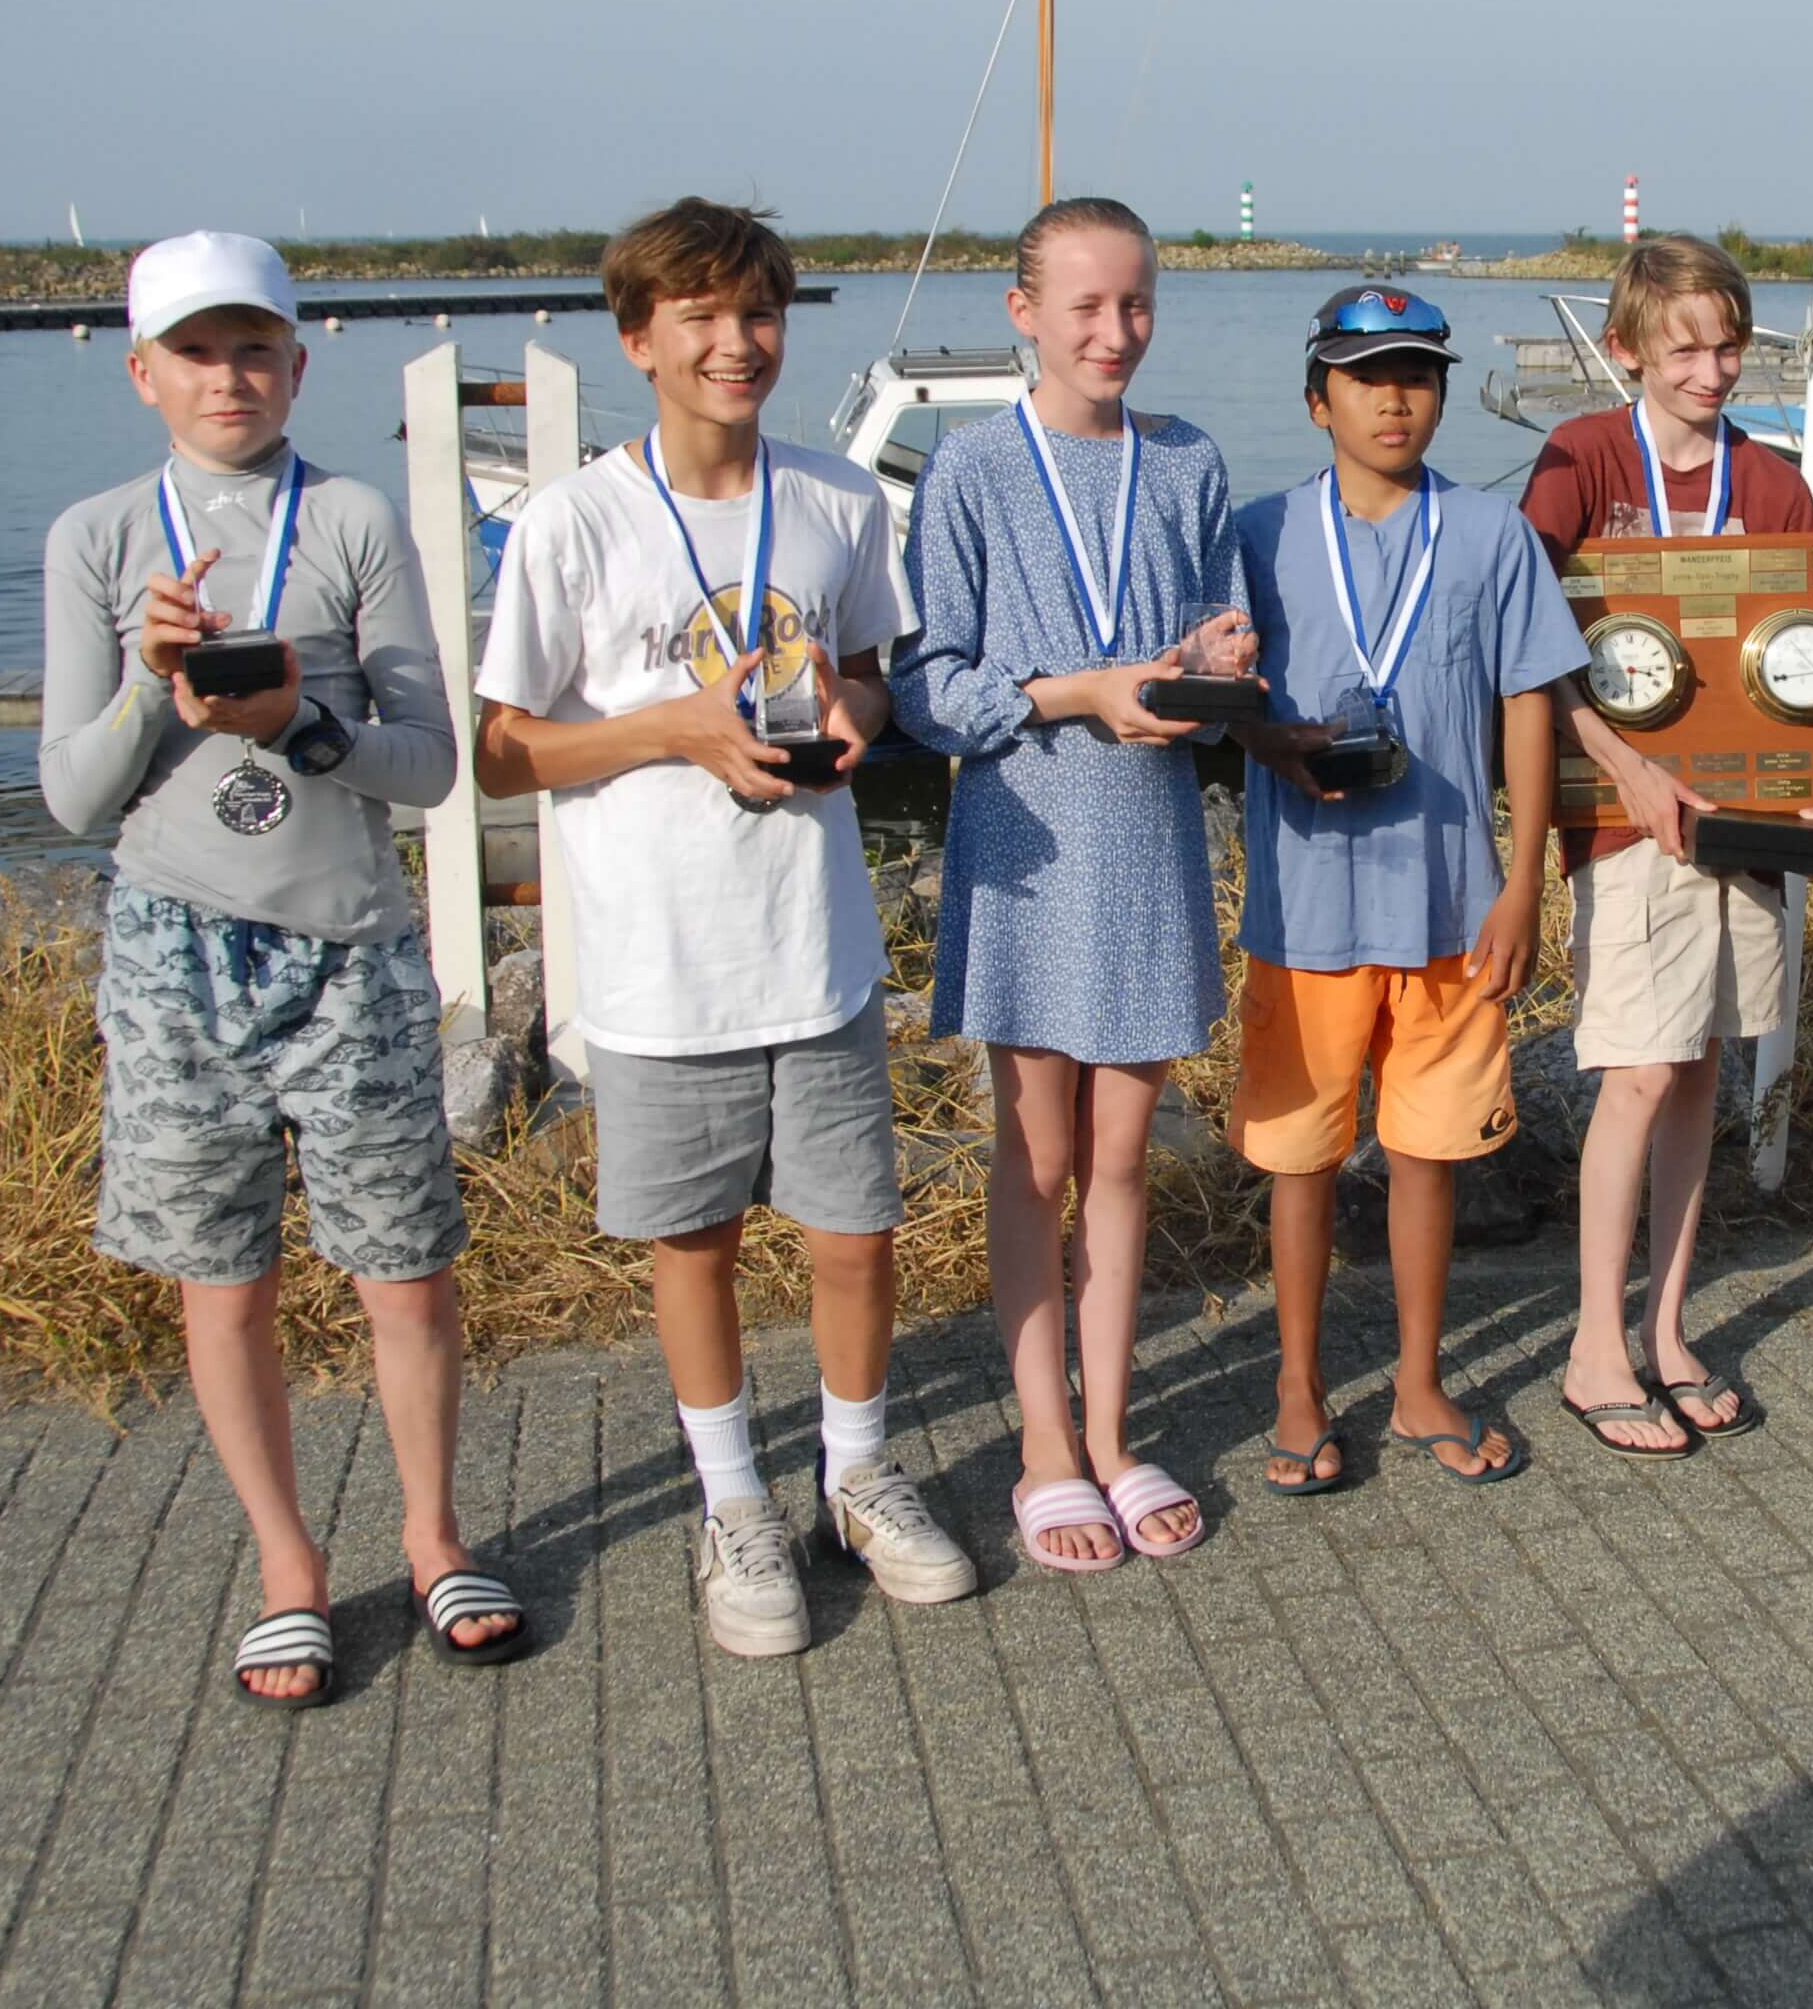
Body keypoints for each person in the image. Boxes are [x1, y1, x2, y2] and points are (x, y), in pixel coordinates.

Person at [475, 197, 971, 1660]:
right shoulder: (572, 521)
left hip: (813, 947)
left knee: (855, 1232)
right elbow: (501, 752)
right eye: (697, 317)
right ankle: (732, 1498)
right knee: (693, 1245)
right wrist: (671, 729)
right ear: (638, 339)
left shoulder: (835, 500)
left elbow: (868, 675)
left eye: (757, 314)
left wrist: (851, 714)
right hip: (660, 962)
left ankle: (856, 1474)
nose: (735, 343)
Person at [41, 229, 522, 1705]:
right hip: (172, 954)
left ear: (298, 365)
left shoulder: (355, 519)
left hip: (350, 948)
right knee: (223, 1281)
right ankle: (287, 1568)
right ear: (142, 374)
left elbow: (430, 765)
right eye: (194, 352)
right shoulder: (97, 539)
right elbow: (71, 797)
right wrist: (152, 682)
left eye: (253, 348)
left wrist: (301, 724)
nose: (227, 377)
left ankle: (433, 1537)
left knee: (406, 1270)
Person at [904, 198, 1242, 1573]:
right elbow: (931, 685)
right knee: (1037, 1157)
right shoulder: (973, 467)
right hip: (1027, 841)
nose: (1115, 331)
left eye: (1136, 303)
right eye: (1087, 306)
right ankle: (1044, 1444)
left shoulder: (1188, 458)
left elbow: (1210, 638)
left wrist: (1213, 663)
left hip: (1149, 838)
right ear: (1023, 313)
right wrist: (1075, 692)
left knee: (1120, 1158)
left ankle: (1111, 1433)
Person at [1228, 287, 1587, 1490]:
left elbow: (1526, 706)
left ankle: (1420, 1377)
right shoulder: (1259, 534)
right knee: (1300, 1159)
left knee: (1429, 1154)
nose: (1394, 400)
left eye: (1417, 377)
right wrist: (1267, 738)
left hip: (1449, 906)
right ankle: (1297, 1386)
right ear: (1316, 400)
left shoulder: (1489, 534)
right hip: (1304, 910)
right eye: (1366, 377)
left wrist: (1522, 882)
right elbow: (1223, 701)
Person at [1519, 235, 1813, 1453]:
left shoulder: (1771, 485)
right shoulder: (1579, 459)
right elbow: (1528, 641)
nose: (1711, 370)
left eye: (1728, 346)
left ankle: (1664, 1328)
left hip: (1748, 828)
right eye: (1684, 349)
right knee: (1637, 1070)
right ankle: (1591, 1345)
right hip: (1626, 821)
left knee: (1703, 1066)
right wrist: (1621, 765)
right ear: (1626, 350)